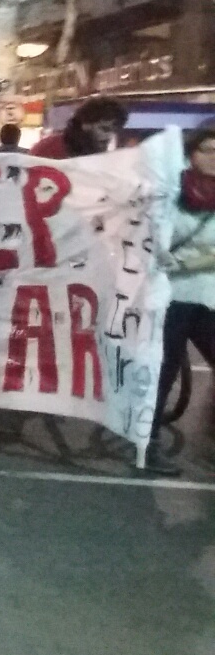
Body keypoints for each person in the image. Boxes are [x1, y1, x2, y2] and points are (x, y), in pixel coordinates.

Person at [147, 128, 215, 477]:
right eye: (207, 150)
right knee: (163, 370)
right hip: (170, 296)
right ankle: (147, 444)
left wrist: (190, 262)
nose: (213, 157)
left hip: (207, 296)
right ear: (191, 153)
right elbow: (154, 236)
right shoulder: (172, 190)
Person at [30, 97, 126, 159]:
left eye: (114, 131)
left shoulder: (102, 157)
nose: (109, 136)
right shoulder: (48, 148)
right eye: (104, 129)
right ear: (85, 124)